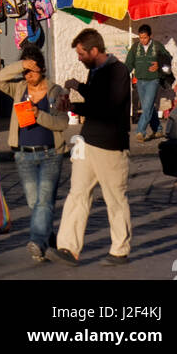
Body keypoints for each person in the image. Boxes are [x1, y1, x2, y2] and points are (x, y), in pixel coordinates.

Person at [55, 28, 131, 266]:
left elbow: (108, 105)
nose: (79, 58)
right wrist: (78, 87)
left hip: (111, 145)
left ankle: (120, 249)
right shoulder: (96, 72)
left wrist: (76, 107)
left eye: (81, 54)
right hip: (88, 142)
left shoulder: (118, 71)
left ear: (94, 50)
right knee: (77, 194)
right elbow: (96, 97)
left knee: (115, 199)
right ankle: (68, 247)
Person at [0, 43, 69, 262]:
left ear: (42, 69)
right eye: (25, 71)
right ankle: (48, 239)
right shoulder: (18, 88)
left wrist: (39, 115)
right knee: (33, 202)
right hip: (24, 154)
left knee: (44, 202)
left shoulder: (57, 91)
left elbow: (62, 123)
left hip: (50, 154)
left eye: (31, 71)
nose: (28, 75)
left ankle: (36, 241)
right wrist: (20, 65)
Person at [125, 25, 173, 140]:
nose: (143, 40)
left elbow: (168, 58)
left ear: (150, 36)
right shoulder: (135, 47)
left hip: (153, 80)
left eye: (145, 38)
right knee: (149, 107)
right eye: (140, 38)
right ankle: (158, 129)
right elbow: (129, 64)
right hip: (140, 81)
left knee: (146, 107)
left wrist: (159, 64)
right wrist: (121, 76)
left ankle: (140, 131)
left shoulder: (157, 46)